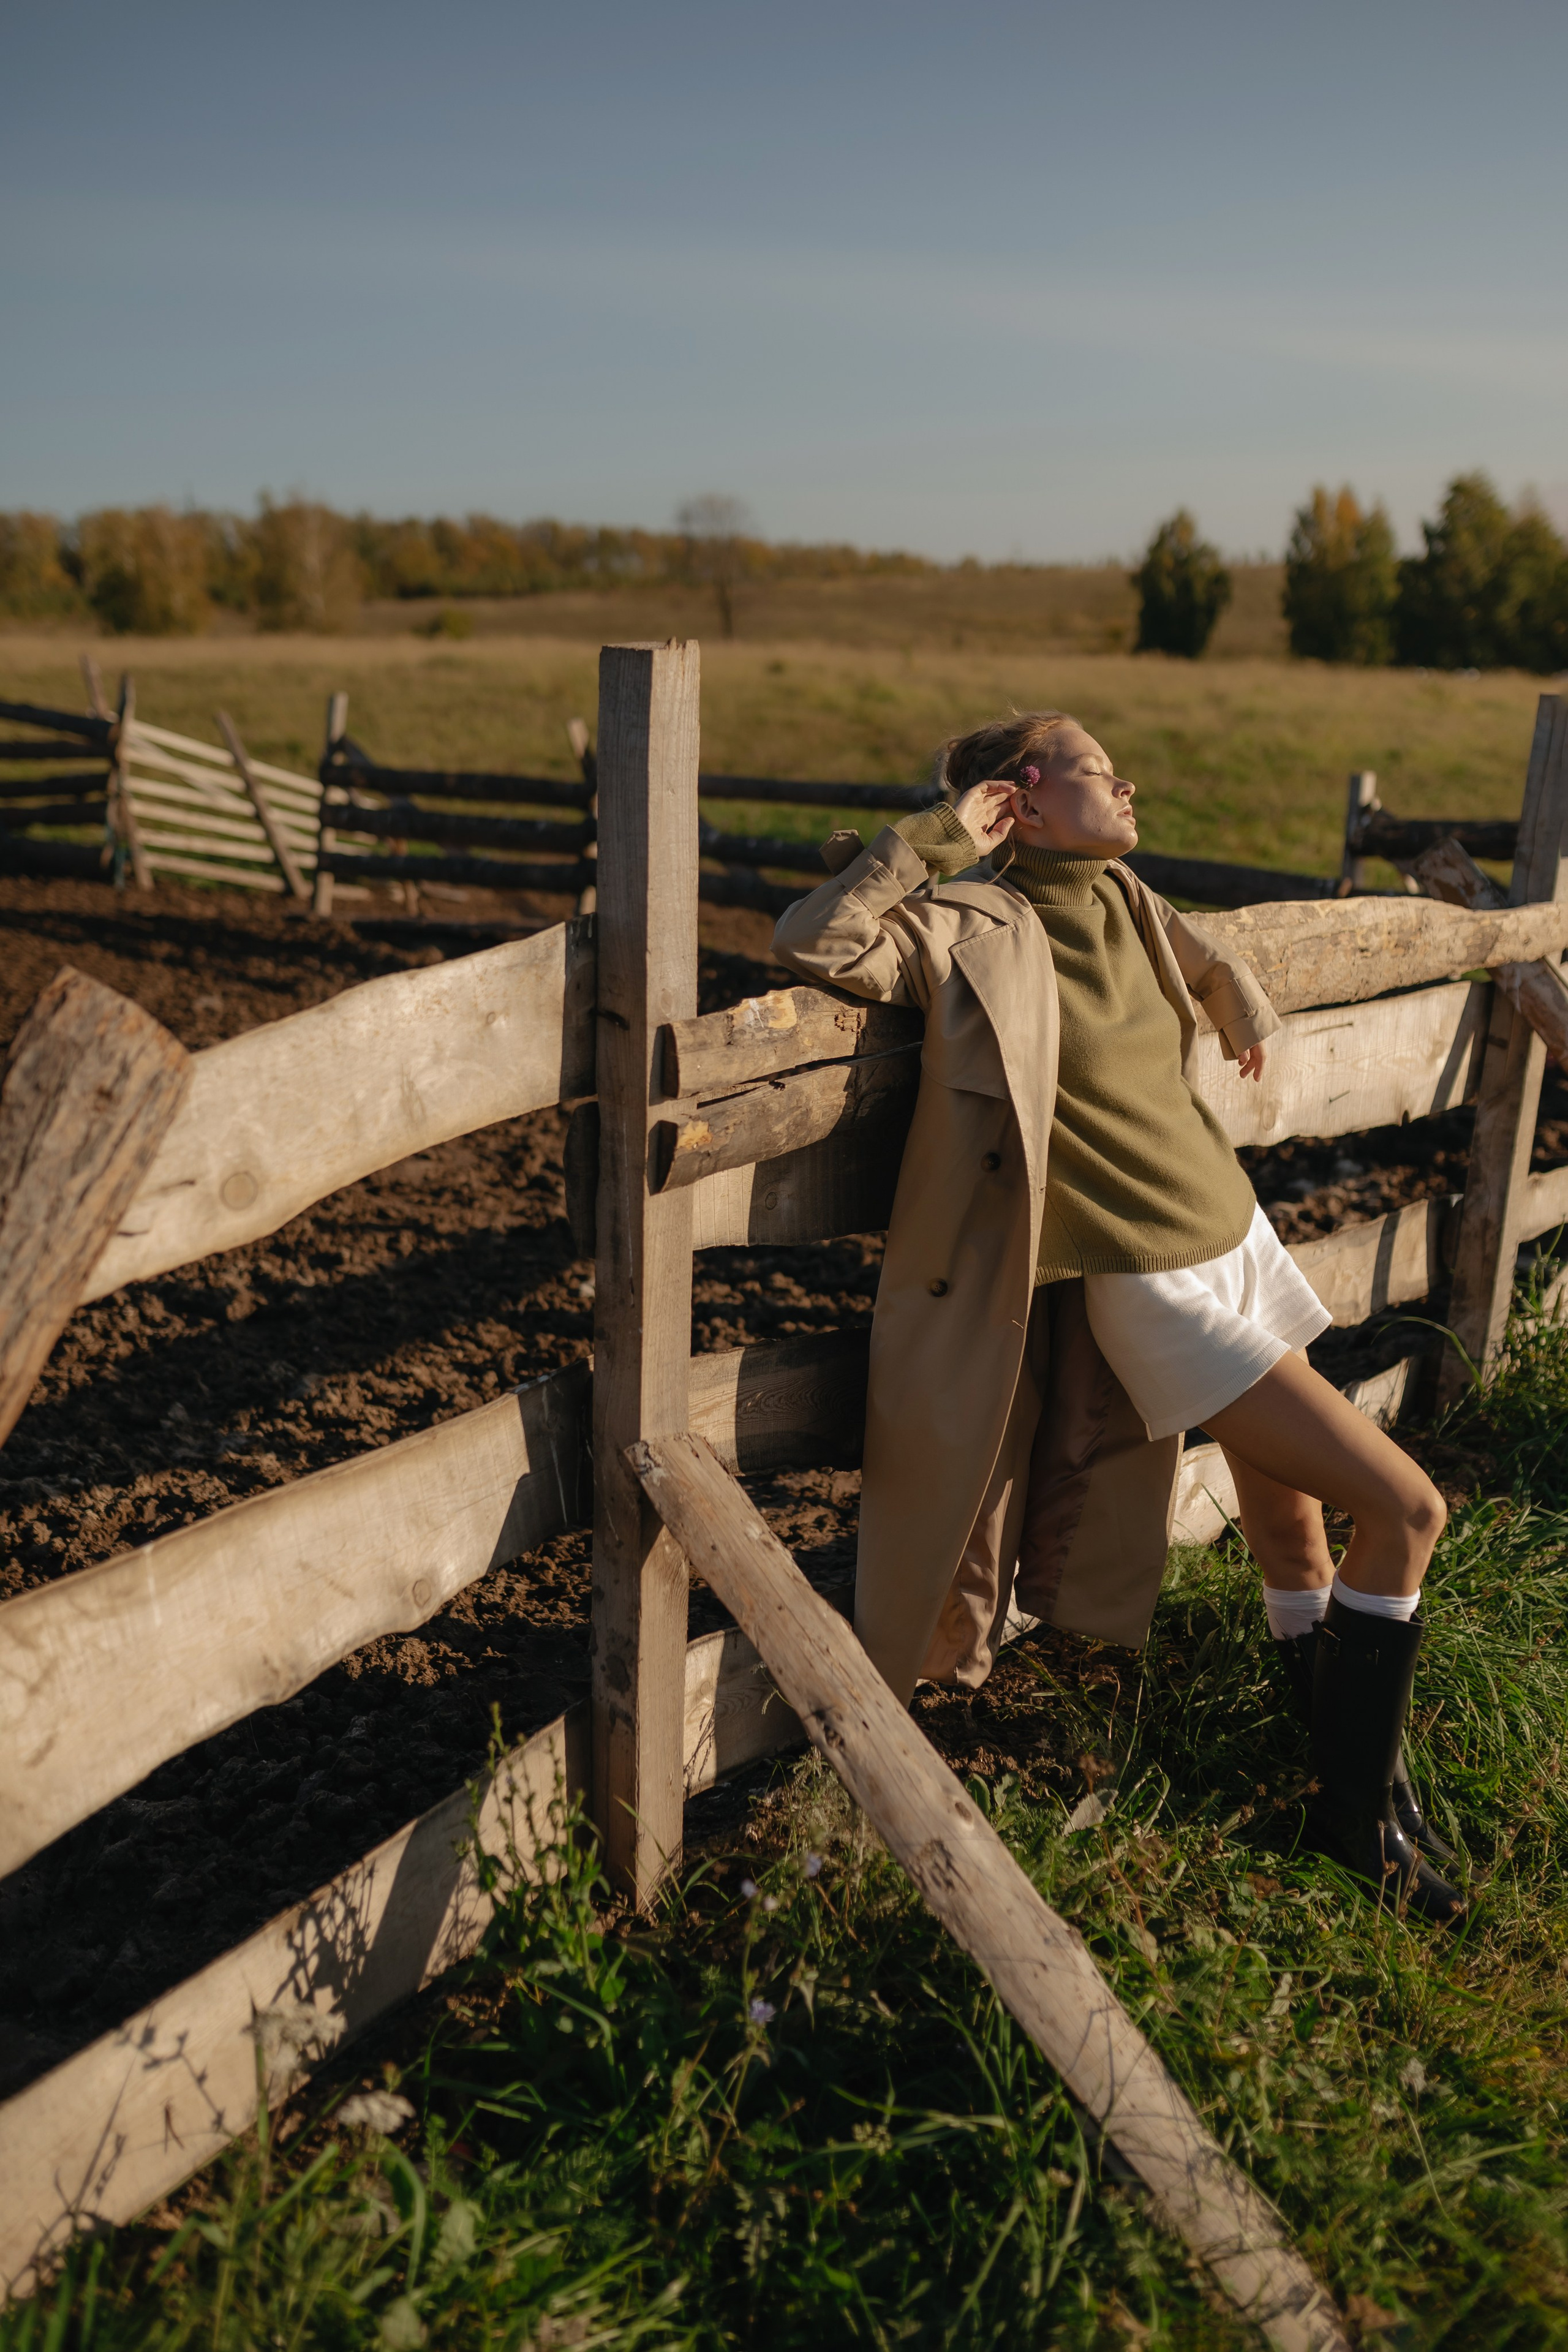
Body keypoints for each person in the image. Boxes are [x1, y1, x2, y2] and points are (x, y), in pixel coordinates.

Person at [772, 709, 1461, 1922]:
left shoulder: (1123, 895)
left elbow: (1200, 956)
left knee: (1294, 1546)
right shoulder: (968, 922)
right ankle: (1354, 1825)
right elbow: (815, 941)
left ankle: (1355, 1779)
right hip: (1150, 1285)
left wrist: (1238, 998)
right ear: (1019, 800)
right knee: (1406, 1509)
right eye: (1097, 769)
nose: (1127, 782)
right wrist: (930, 839)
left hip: (1232, 1237)